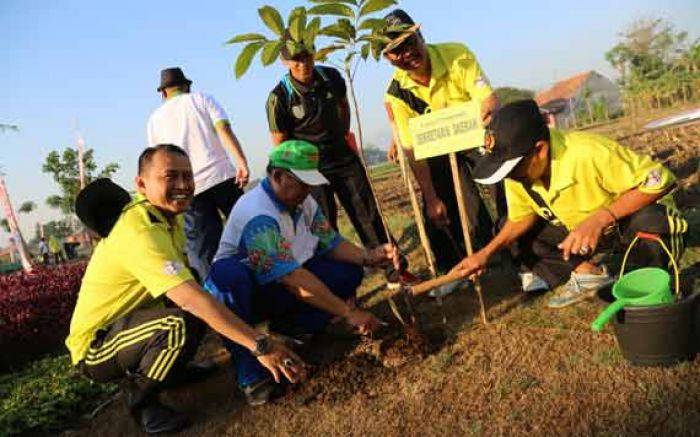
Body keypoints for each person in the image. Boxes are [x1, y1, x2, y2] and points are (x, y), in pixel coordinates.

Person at [66, 145, 303, 434]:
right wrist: (259, 345)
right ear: (141, 184)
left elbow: (190, 288)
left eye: (187, 176)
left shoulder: (168, 217)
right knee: (181, 320)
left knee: (201, 302)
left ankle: (172, 373)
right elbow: (189, 300)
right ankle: (140, 400)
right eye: (171, 177)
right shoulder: (138, 231)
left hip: (131, 327)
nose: (183, 186)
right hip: (96, 347)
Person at [205, 140, 399, 406]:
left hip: (281, 280)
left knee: (348, 271)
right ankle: (251, 376)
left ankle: (294, 327)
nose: (307, 191)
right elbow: (292, 279)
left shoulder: (303, 201)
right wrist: (348, 312)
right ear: (277, 175)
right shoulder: (258, 214)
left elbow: (330, 242)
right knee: (229, 279)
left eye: (309, 183)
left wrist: (369, 256)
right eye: (301, 183)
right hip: (248, 291)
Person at [451, 99, 688, 308]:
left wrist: (601, 218)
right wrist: (485, 253)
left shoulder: (588, 152)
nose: (510, 176)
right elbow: (519, 218)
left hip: (627, 220)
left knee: (652, 221)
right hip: (581, 233)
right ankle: (589, 275)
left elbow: (660, 180)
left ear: (540, 150)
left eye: (513, 168)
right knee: (510, 233)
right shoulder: (519, 173)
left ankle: (649, 279)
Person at [265, 36, 410, 288]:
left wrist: (342, 136)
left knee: (367, 212)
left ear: (314, 52)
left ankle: (394, 269)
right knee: (323, 227)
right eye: (296, 60)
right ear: (285, 62)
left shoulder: (331, 77)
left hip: (342, 157)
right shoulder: (279, 97)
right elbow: (281, 144)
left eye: (307, 55)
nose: (303, 64)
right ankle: (341, 288)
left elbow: (343, 108)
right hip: (310, 170)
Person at [381, 9, 506, 293]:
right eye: (396, 51)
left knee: (504, 186)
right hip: (437, 149)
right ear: (388, 59)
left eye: (409, 42)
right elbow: (412, 150)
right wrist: (430, 195)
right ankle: (459, 267)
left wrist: (467, 129)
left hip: (476, 134)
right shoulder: (395, 94)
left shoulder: (456, 55)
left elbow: (488, 102)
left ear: (421, 36)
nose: (406, 53)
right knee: (448, 207)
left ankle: (523, 255)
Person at [147, 67, 250, 282]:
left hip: (188, 188)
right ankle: (270, 279)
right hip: (221, 176)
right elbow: (224, 130)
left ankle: (216, 297)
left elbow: (158, 162)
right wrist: (241, 161)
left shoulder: (154, 120)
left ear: (163, 93)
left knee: (204, 250)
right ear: (186, 86)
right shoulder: (202, 99)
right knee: (251, 231)